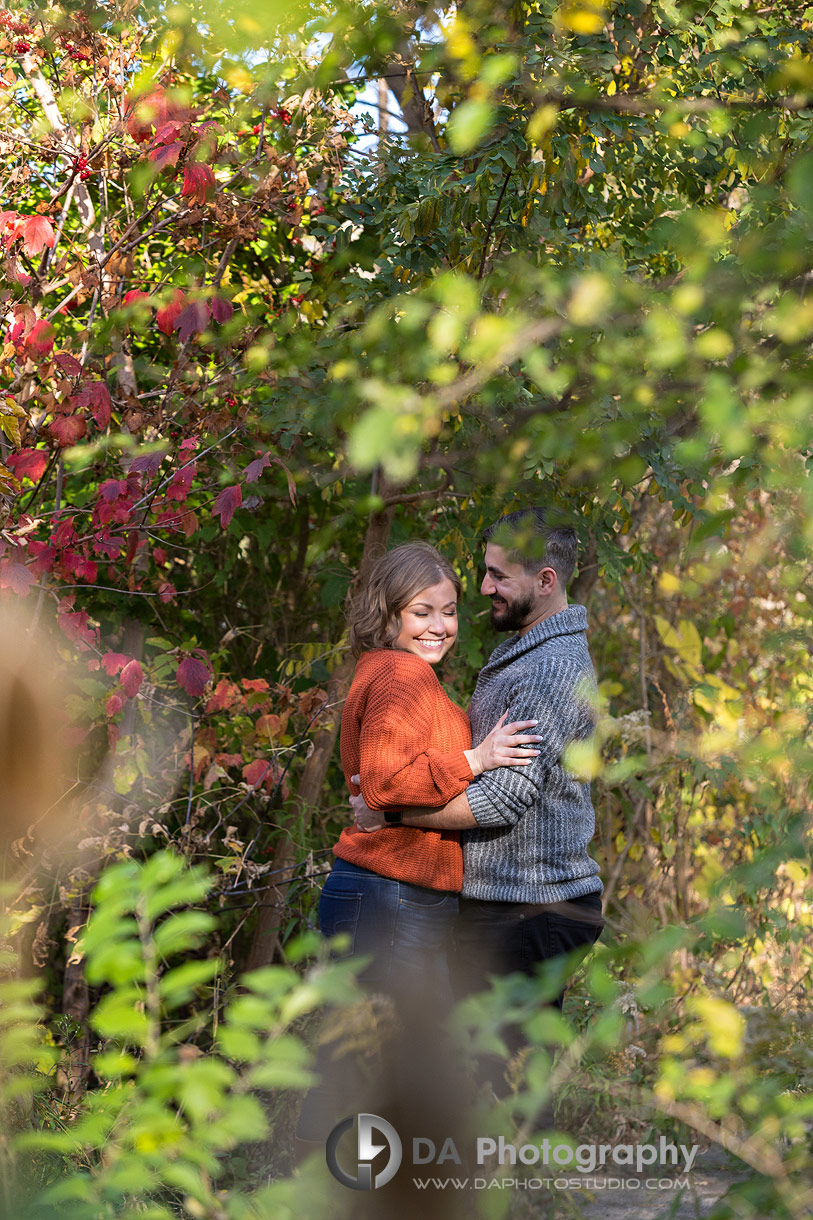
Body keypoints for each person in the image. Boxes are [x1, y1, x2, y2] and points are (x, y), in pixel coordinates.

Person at [295, 540, 540, 1146]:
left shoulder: (395, 672)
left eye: (450, 610)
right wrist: (476, 757)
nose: (440, 626)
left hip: (397, 895)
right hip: (389, 896)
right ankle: (317, 1185)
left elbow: (379, 789)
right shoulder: (402, 675)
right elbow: (382, 785)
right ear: (389, 614)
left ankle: (349, 1185)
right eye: (422, 612)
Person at [353, 508, 604, 1093]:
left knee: (500, 1081)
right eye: (485, 573)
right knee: (487, 1073)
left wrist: (390, 812)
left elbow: (499, 801)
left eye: (499, 576)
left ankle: (525, 1185)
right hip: (512, 904)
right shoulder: (526, 652)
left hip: (528, 908)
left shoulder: (548, 671)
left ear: (546, 581)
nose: (484, 588)